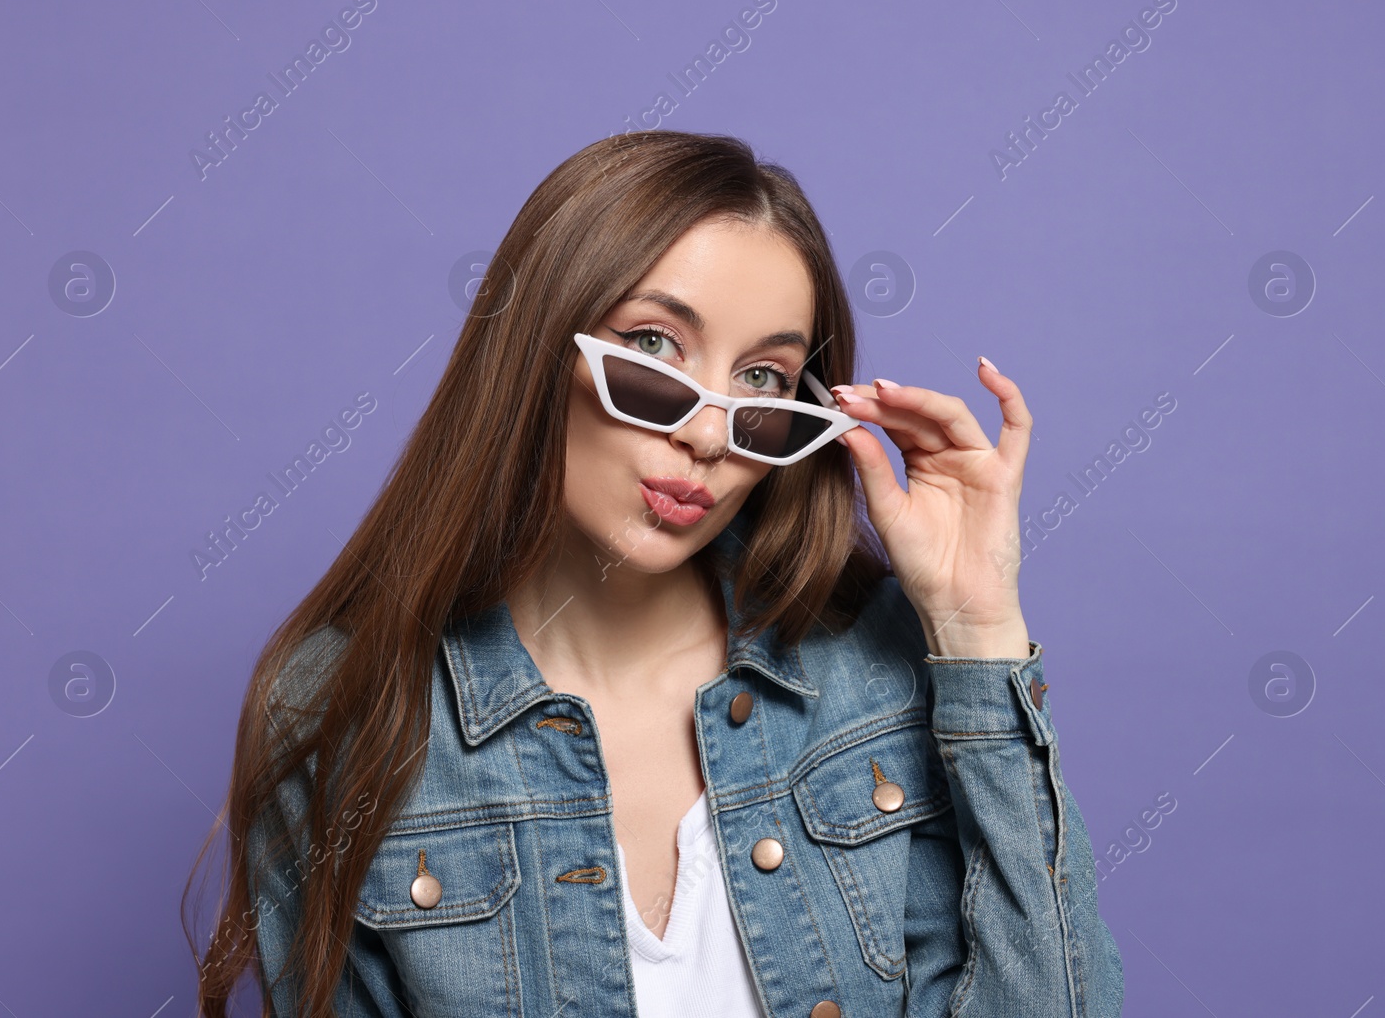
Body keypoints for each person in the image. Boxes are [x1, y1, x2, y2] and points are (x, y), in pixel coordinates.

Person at [186, 130, 1124, 1017]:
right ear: (539, 350)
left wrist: (976, 634)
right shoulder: (337, 704)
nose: (709, 433)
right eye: (652, 348)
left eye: (762, 379)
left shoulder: (873, 665)